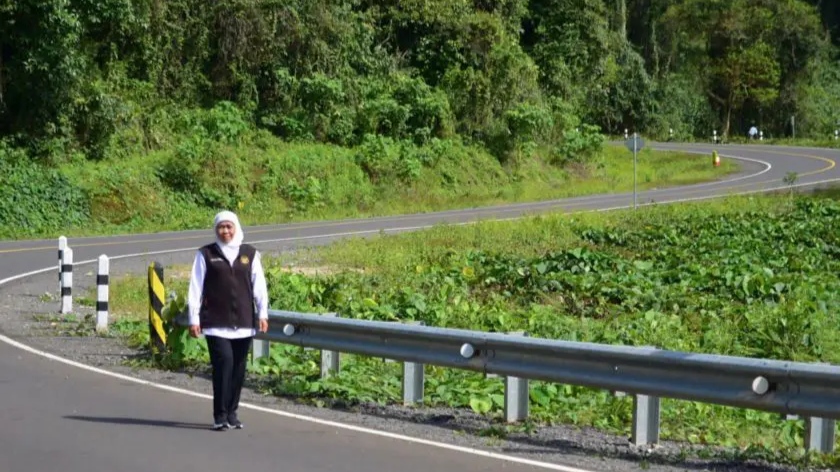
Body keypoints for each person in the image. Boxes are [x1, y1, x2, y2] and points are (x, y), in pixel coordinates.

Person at [187, 210, 269, 431]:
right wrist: (193, 318)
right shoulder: (206, 254)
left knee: (239, 369)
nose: (225, 231)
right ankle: (219, 415)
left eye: (229, 227)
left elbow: (259, 285)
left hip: (243, 322)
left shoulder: (249, 254)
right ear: (216, 230)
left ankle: (232, 413)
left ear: (236, 228)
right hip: (215, 322)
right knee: (224, 364)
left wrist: (263, 313)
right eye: (221, 227)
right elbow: (195, 287)